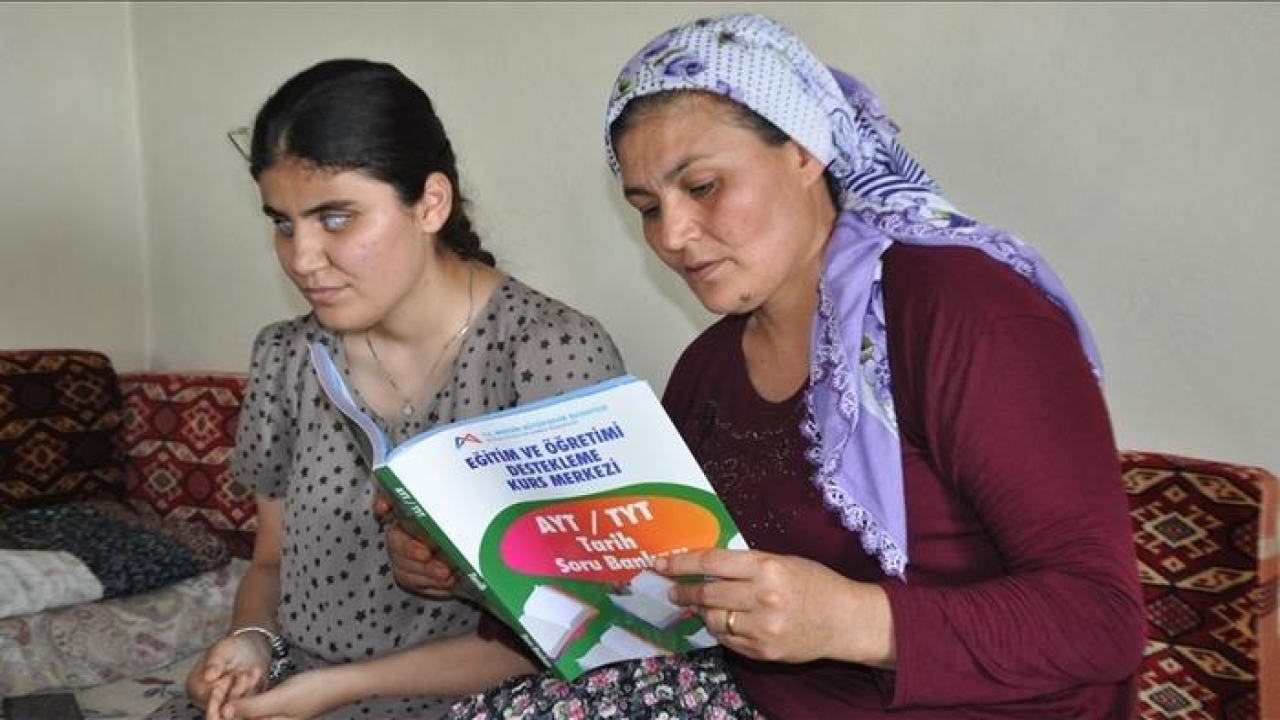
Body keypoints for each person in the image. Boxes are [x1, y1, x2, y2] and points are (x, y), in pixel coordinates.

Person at [442, 12, 1147, 718]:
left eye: (703, 186)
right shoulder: (709, 371)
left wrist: (853, 621)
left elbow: (1101, 620)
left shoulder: (962, 315)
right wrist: (485, 571)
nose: (673, 235)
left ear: (805, 152)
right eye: (648, 207)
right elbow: (660, 598)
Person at [147, 58, 624, 720]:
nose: (302, 258)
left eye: (335, 218)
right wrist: (251, 642)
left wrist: (340, 687)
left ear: (431, 203)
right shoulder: (288, 356)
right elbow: (270, 562)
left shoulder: (548, 355)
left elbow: (581, 626)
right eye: (283, 223)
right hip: (303, 687)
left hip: (478, 704)